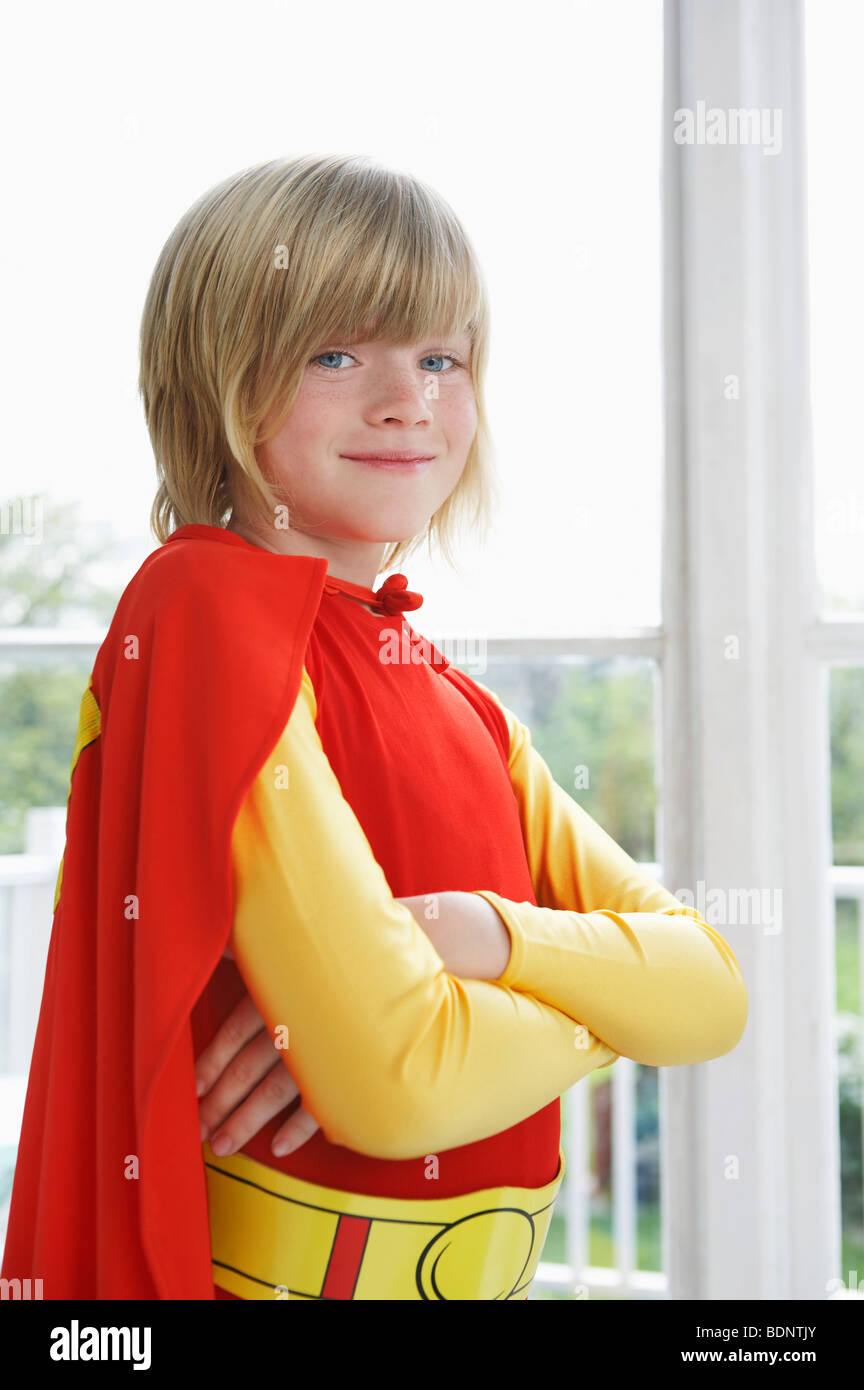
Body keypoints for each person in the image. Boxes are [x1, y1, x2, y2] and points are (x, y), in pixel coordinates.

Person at [1, 154, 748, 1301]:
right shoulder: (201, 612)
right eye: (335, 353)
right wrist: (603, 1009)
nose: (409, 401)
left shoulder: (465, 703)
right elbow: (400, 1084)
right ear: (215, 381)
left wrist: (475, 940)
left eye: (440, 357)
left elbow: (710, 990)